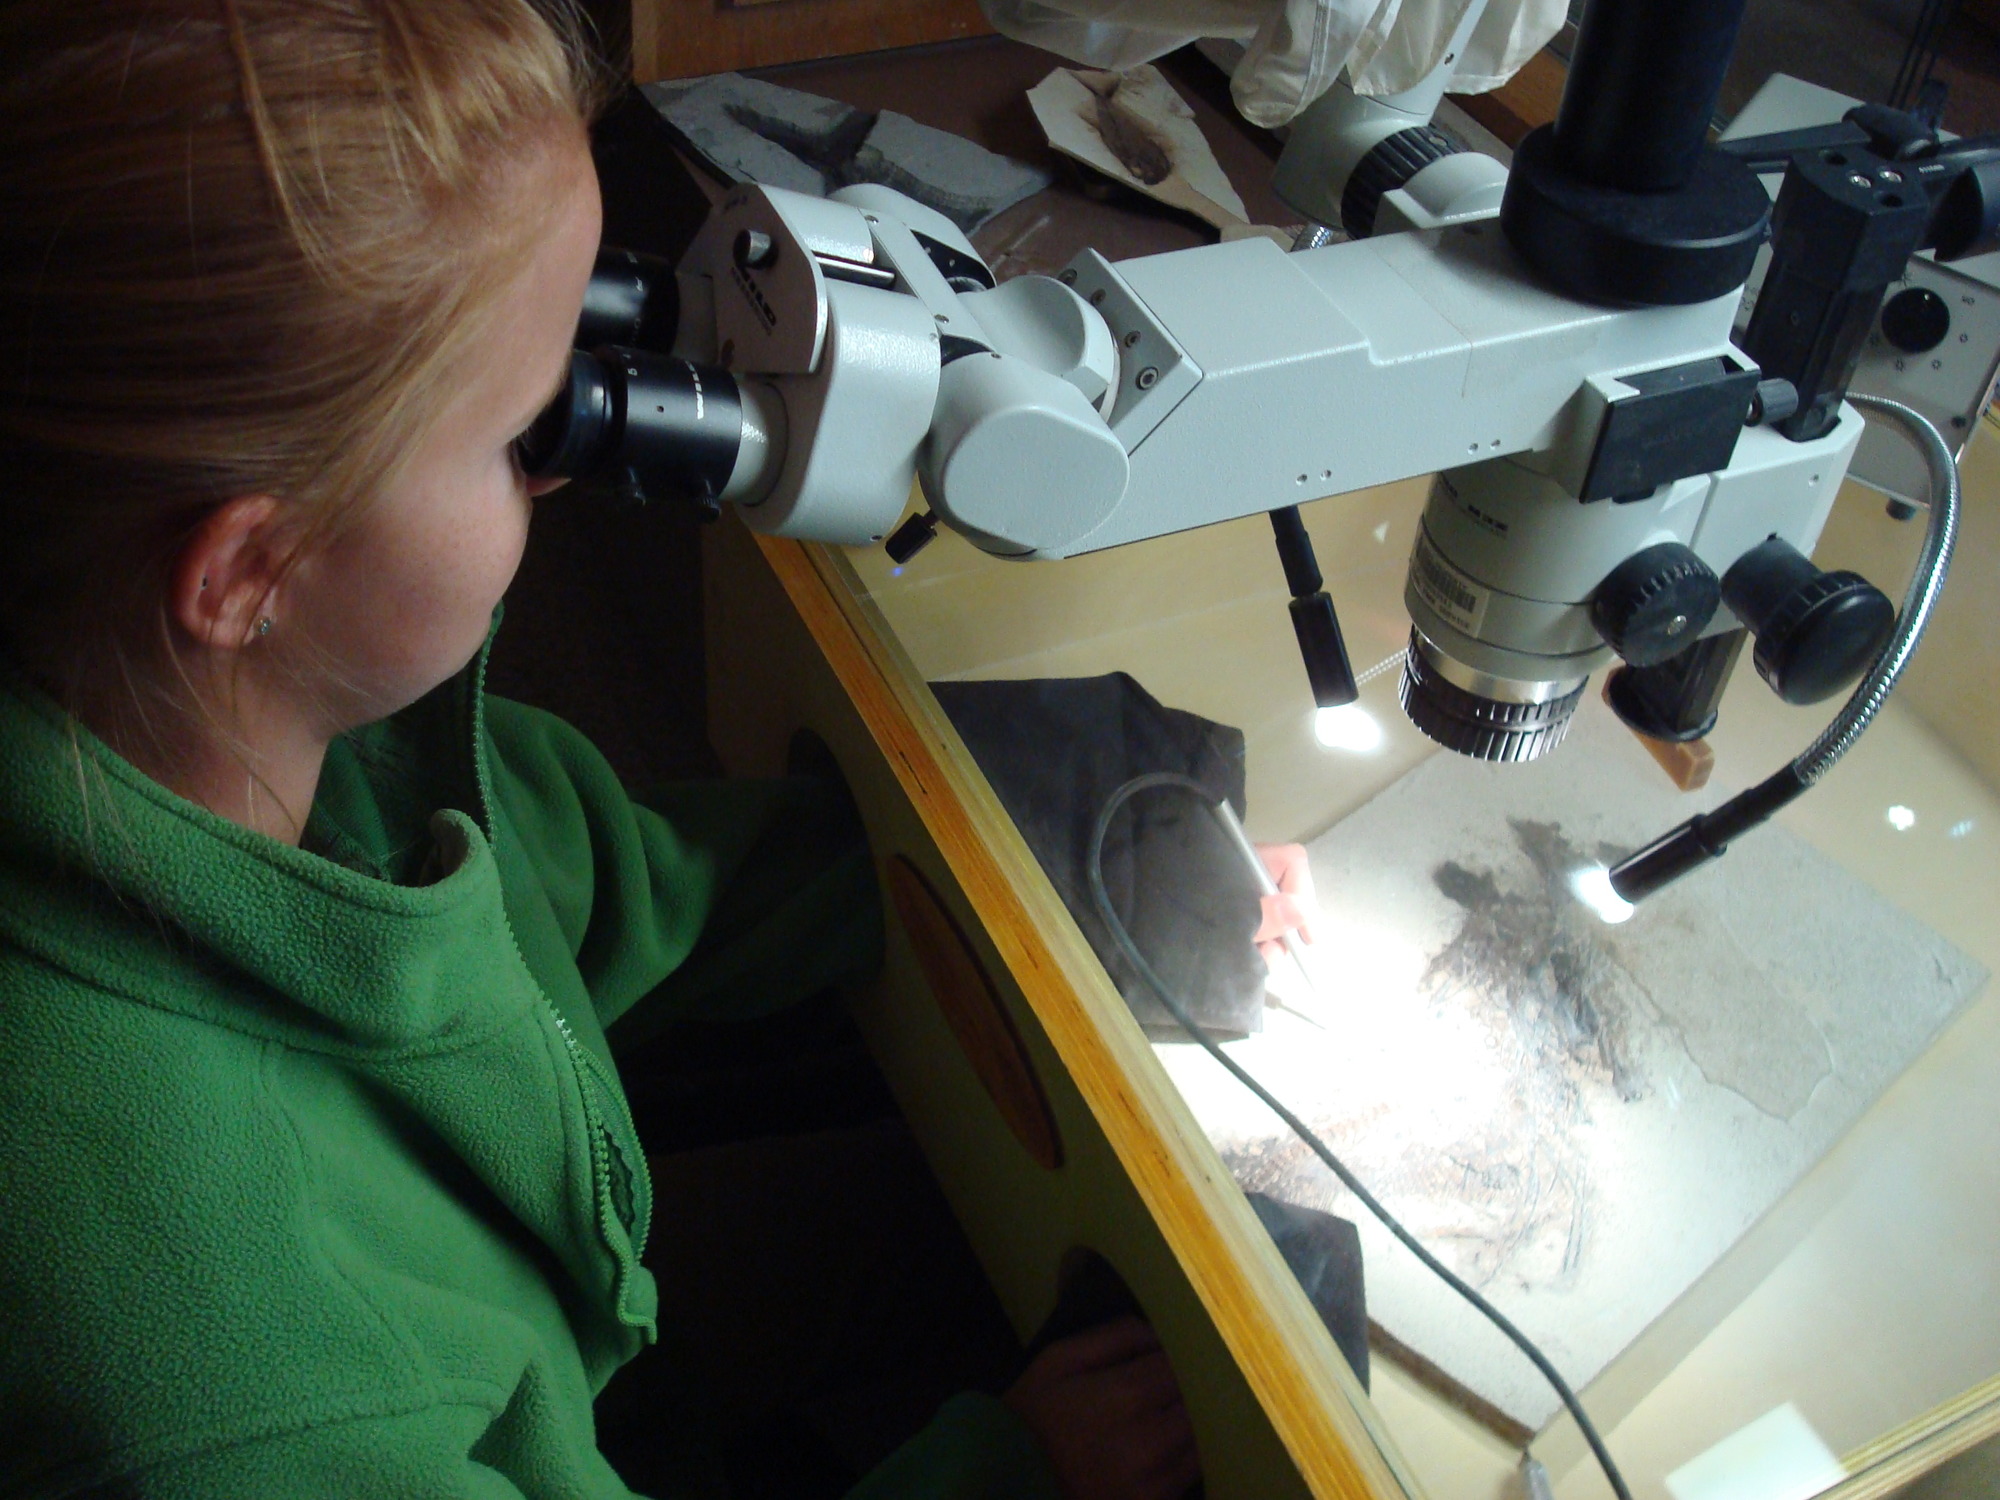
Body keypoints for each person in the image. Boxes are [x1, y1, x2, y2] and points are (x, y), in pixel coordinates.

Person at [0, 3, 1204, 1496]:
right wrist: (1004, 1471)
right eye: (526, 429)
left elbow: (596, 881)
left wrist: (1066, 825)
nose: (571, 469)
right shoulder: (239, 1402)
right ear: (252, 571)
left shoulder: (263, 725)